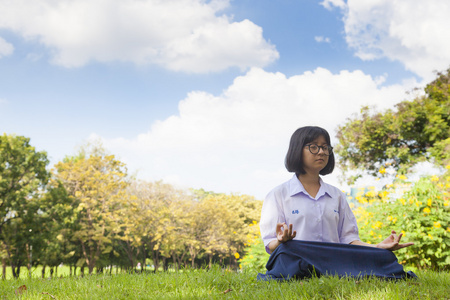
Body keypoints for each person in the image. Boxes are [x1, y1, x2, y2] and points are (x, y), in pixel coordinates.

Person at [260, 126, 414, 255]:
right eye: (313, 147)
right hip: (295, 265)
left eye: (325, 147)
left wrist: (378, 248)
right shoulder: (278, 195)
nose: (321, 152)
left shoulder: (336, 196)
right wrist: (281, 240)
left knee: (387, 261)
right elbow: (269, 242)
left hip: (334, 265)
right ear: (297, 150)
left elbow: (348, 239)